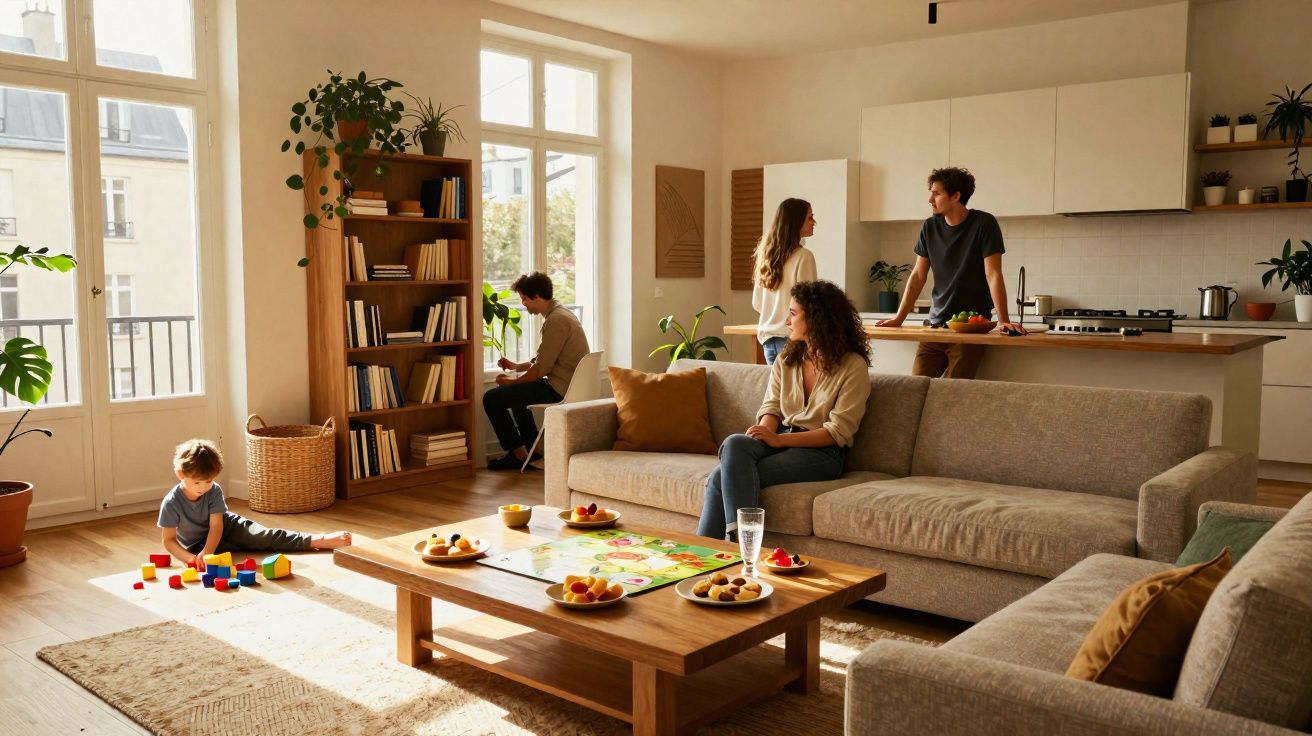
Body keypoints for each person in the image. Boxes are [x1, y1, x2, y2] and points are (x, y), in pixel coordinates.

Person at [697, 280, 871, 541]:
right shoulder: (787, 359)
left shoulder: (852, 366)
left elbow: (837, 432)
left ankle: (721, 550)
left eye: (793, 313)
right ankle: (737, 542)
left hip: (822, 453)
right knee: (735, 443)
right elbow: (772, 408)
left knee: (721, 477)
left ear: (816, 318)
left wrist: (778, 439)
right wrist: (762, 434)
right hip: (781, 440)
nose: (787, 321)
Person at [874, 167, 1026, 378]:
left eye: (936, 193)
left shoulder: (984, 224)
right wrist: (899, 318)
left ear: (956, 196)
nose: (930, 199)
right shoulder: (929, 227)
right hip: (935, 326)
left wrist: (1003, 321)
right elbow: (918, 276)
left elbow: (993, 274)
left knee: (953, 397)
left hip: (970, 330)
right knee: (914, 389)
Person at [158, 439, 351, 567]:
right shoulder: (172, 502)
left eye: (208, 481)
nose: (202, 487)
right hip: (195, 546)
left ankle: (316, 540)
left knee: (264, 537)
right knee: (242, 551)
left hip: (228, 528)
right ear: (180, 474)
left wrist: (208, 552)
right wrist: (190, 559)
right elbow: (169, 540)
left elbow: (216, 527)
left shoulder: (213, 490)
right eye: (196, 482)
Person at [484, 271, 590, 471]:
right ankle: (533, 450)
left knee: (491, 398)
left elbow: (541, 368)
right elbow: (544, 359)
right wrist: (517, 367)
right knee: (517, 398)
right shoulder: (562, 314)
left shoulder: (556, 321)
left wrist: (511, 382)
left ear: (537, 297)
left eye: (524, 299)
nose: (523, 303)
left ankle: (518, 455)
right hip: (567, 383)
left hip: (560, 388)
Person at [753, 198, 817, 365]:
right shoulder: (804, 256)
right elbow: (808, 303)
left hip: (768, 341)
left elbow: (757, 302)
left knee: (777, 391)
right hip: (792, 341)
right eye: (810, 217)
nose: (814, 222)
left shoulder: (766, 255)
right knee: (795, 391)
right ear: (797, 221)